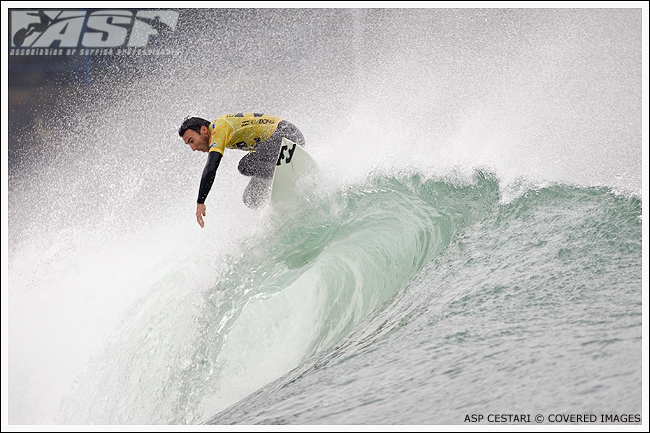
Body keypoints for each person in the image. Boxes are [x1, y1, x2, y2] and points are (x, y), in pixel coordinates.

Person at [178, 113, 306, 227]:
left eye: (192, 141)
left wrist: (200, 201)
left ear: (204, 130)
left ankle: (288, 175)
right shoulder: (220, 129)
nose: (193, 148)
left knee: (245, 164)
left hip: (286, 134)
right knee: (251, 197)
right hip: (276, 147)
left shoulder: (219, 127)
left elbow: (211, 167)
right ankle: (283, 207)